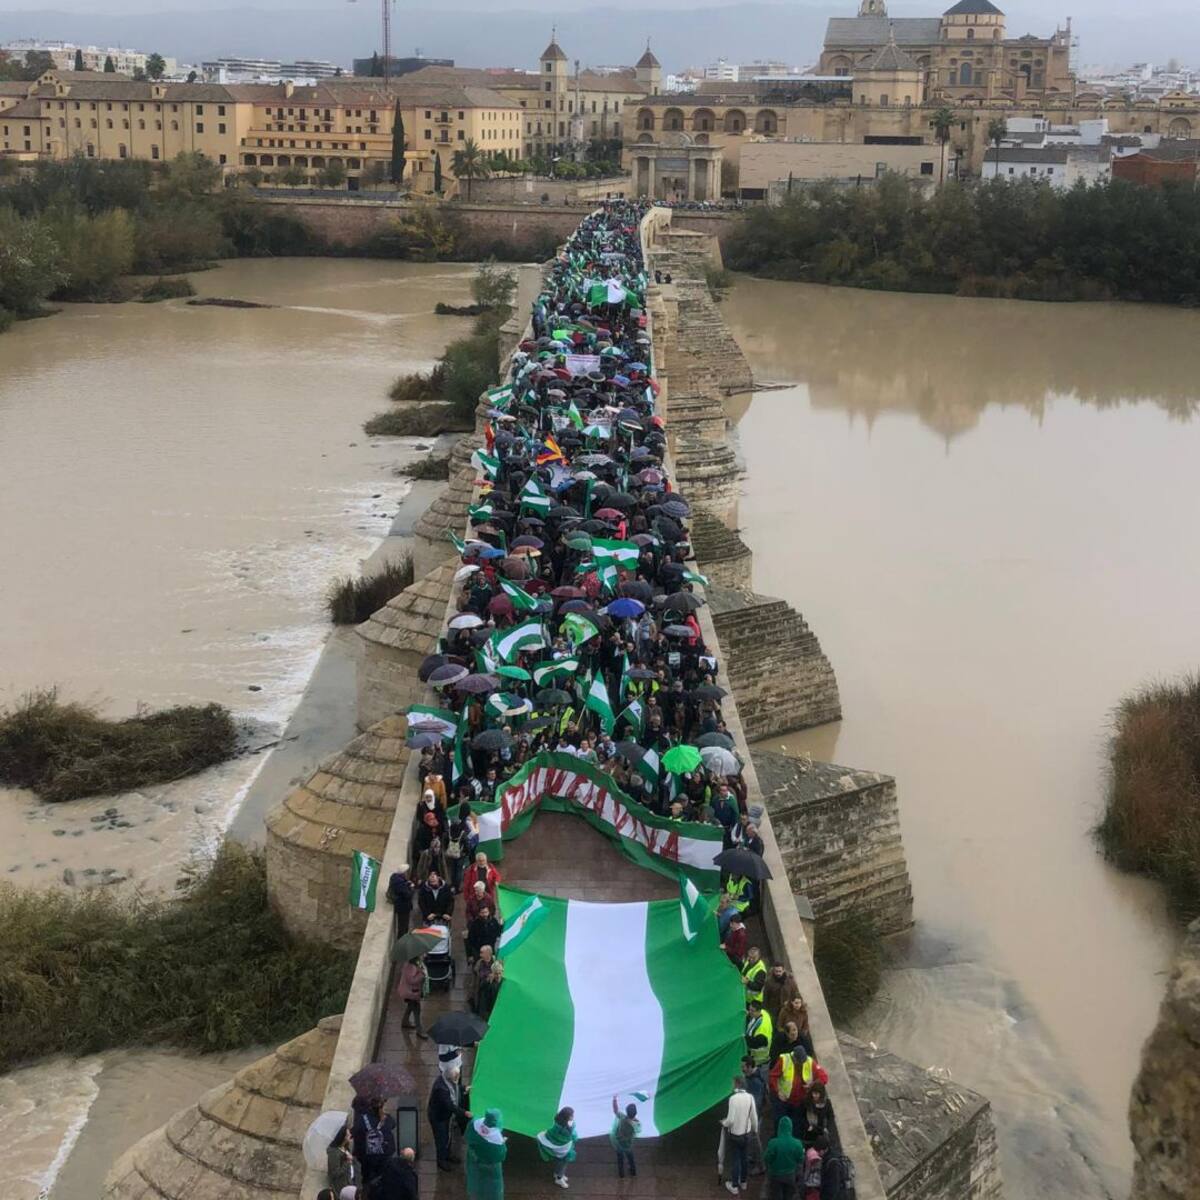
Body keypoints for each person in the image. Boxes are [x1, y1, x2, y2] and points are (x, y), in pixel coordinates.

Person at [721, 1076, 758, 1194]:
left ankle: (734, 1185)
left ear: (737, 1084)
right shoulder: (750, 1097)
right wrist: (755, 1130)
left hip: (735, 1134)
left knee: (735, 1159)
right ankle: (743, 1182)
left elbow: (730, 1120)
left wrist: (723, 1123)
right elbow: (754, 1117)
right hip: (746, 1134)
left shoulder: (733, 1099)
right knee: (744, 1158)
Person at [428, 1066, 470, 1171]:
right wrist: (464, 1112)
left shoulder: (446, 1080)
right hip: (439, 1118)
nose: (458, 1078)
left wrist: (463, 1088)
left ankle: (447, 1155)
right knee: (441, 1139)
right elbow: (450, 1106)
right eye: (456, 1077)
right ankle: (441, 1161)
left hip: (444, 1116)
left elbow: (456, 1087)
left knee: (447, 1136)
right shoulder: (441, 1089)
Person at [352, 1097, 396, 1194]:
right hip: (384, 1158)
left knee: (368, 1183)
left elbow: (356, 1136)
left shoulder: (362, 1120)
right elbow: (393, 1124)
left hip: (367, 1160)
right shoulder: (387, 1120)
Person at [465, 1108, 508, 1200]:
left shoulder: (475, 1124)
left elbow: (467, 1137)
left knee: (475, 1182)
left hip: (473, 1160)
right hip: (490, 1168)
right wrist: (503, 1143)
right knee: (491, 1190)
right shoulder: (497, 1140)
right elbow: (500, 1156)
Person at [763, 1115, 806, 1200]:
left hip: (775, 1175)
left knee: (776, 1196)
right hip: (790, 1175)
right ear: (791, 1128)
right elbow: (801, 1159)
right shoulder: (797, 1143)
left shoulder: (773, 1143)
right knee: (789, 1196)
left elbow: (767, 1158)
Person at [537, 1105, 577, 1189]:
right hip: (562, 1148)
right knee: (563, 1163)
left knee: (561, 1162)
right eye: (571, 1115)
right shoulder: (559, 1127)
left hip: (565, 1147)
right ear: (566, 1117)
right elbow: (553, 1135)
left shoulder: (564, 1124)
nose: (573, 1117)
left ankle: (558, 1174)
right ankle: (559, 1178)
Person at [397, 956, 429, 1038]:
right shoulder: (411, 966)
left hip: (412, 992)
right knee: (417, 1010)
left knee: (411, 1006)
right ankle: (419, 1030)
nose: (423, 956)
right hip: (410, 992)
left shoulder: (414, 964)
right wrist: (421, 975)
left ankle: (405, 1021)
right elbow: (411, 980)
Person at [610, 1095, 640, 1178]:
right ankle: (633, 1172)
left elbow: (615, 1110)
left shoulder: (622, 1117)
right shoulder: (636, 1124)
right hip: (628, 1145)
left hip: (618, 1143)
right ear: (635, 1114)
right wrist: (636, 1121)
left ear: (626, 1112)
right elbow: (638, 1130)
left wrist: (614, 1100)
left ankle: (621, 1174)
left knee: (620, 1159)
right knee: (630, 1158)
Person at [798, 1083, 836, 1150]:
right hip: (809, 1132)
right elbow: (800, 1116)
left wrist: (827, 1127)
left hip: (821, 1131)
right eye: (813, 1093)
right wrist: (807, 1126)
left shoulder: (826, 1103)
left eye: (817, 1094)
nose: (814, 1096)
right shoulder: (806, 1102)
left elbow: (831, 1116)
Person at [326, 1123, 358, 1195]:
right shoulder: (334, 1154)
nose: (350, 1135)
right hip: (342, 1185)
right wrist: (348, 1162)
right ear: (342, 1137)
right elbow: (335, 1173)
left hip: (349, 1178)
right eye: (347, 1134)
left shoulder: (345, 1146)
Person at [385, 865, 414, 937]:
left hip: (401, 905)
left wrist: (407, 883)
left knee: (403, 925)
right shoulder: (399, 883)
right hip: (403, 907)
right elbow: (407, 895)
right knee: (403, 926)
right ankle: (402, 940)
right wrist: (411, 888)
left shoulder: (395, 877)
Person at [745, 998, 773, 1068]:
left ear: (758, 1011)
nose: (749, 1012)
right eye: (749, 1009)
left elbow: (752, 1043)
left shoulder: (761, 1030)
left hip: (758, 1059)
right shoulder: (763, 1013)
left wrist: (743, 1037)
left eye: (752, 1011)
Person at [803, 1132, 827, 1200]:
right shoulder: (814, 1156)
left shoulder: (810, 1150)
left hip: (808, 1182)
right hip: (813, 1183)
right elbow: (817, 1163)